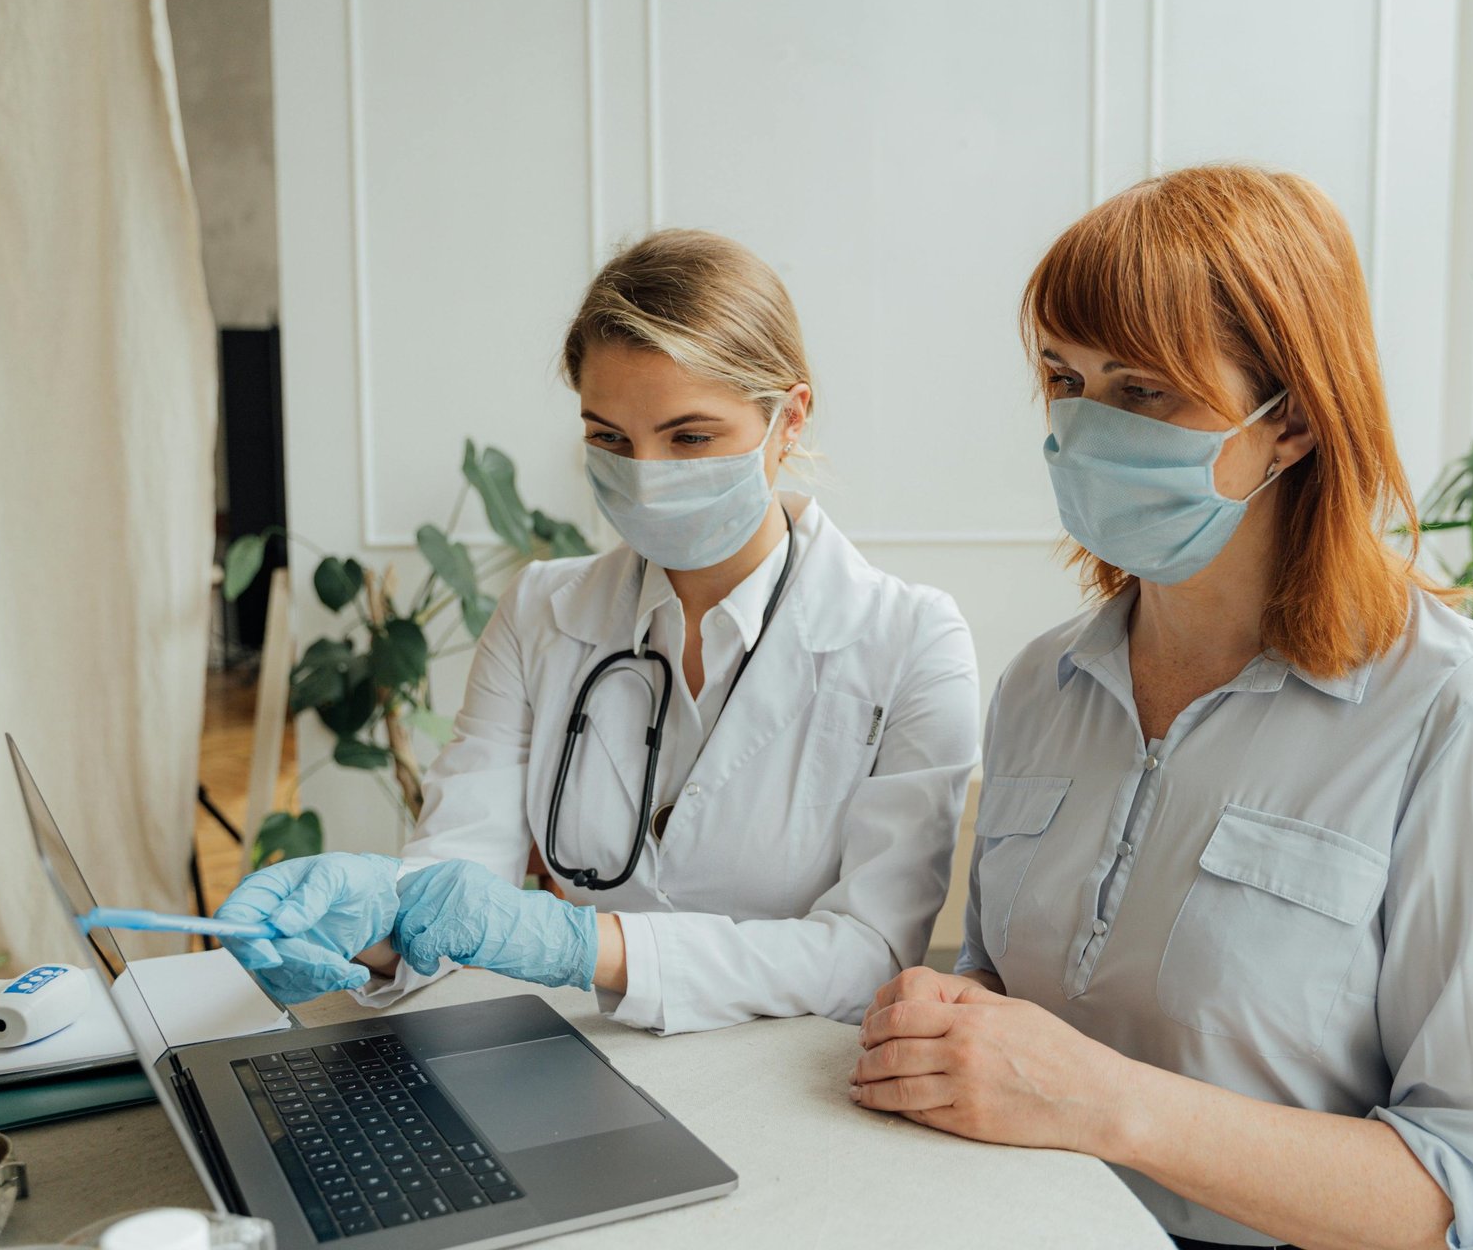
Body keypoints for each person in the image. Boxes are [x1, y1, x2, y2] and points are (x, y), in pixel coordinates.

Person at [849, 166, 1473, 1250]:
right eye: (1064, 377)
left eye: (1144, 390)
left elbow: (1467, 1186)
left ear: (1289, 422)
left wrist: (1107, 1102)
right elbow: (1003, 1005)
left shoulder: (1469, 719)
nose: (1083, 427)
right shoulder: (1039, 686)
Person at [219, 229, 979, 1035]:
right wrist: (367, 925)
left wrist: (588, 945)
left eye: (690, 437)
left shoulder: (910, 641)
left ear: (789, 419)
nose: (646, 477)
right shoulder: (543, 611)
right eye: (609, 439)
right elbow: (457, 875)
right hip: (579, 1059)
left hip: (796, 1085)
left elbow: (869, 955)